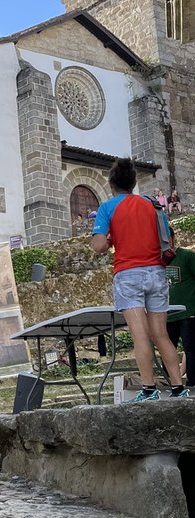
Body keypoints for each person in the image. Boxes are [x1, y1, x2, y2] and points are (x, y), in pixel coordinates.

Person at [91, 157, 187, 402]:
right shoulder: (153, 205)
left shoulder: (108, 207)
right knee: (161, 333)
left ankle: (148, 389)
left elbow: (98, 245)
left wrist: (111, 239)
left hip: (128, 274)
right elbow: (165, 238)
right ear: (133, 183)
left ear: (112, 185)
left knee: (140, 335)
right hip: (156, 272)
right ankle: (177, 386)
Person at [167, 237, 195, 389]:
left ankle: (192, 383)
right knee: (167, 347)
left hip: (188, 312)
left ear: (170, 240)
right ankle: (172, 382)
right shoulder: (158, 261)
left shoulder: (186, 256)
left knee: (190, 348)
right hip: (167, 314)